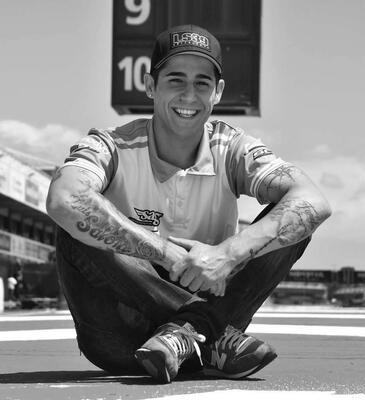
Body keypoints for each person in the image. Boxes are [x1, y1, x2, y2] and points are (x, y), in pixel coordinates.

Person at [46, 24, 331, 384]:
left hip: (207, 338)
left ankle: (189, 332)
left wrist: (227, 254)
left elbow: (314, 201)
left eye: (202, 83)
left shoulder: (232, 147)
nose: (189, 95)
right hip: (119, 341)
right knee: (77, 221)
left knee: (293, 220)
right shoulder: (112, 145)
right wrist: (166, 254)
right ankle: (204, 328)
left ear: (218, 92)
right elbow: (64, 198)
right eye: (176, 80)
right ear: (150, 86)